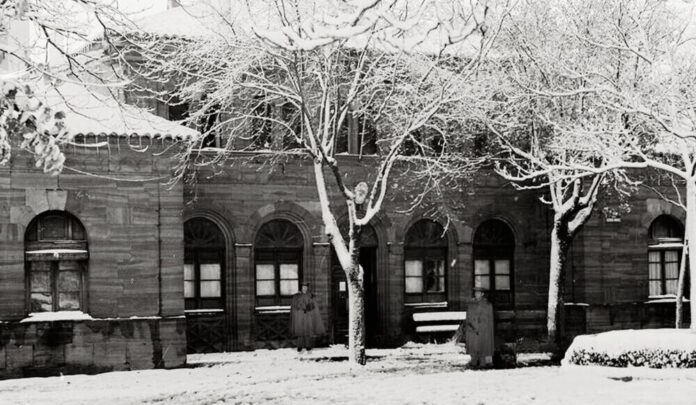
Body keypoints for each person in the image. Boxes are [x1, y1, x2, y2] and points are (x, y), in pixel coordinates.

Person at [290, 282, 325, 352]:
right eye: (303, 287)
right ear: (301, 288)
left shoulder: (310, 295)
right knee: (300, 330)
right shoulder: (297, 296)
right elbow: (295, 305)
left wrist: (309, 307)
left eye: (306, 287)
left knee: (308, 330)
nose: (304, 289)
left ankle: (308, 346)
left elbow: (313, 305)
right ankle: (299, 346)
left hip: (308, 315)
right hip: (299, 315)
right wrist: (301, 307)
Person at [465, 287, 495, 369]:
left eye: (479, 293)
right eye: (475, 293)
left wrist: (480, 326)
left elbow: (487, 319)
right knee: (473, 346)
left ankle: (483, 362)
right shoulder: (471, 304)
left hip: (483, 329)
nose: (476, 294)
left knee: (483, 345)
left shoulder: (487, 305)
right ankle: (474, 361)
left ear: (482, 294)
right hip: (472, 328)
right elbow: (468, 317)